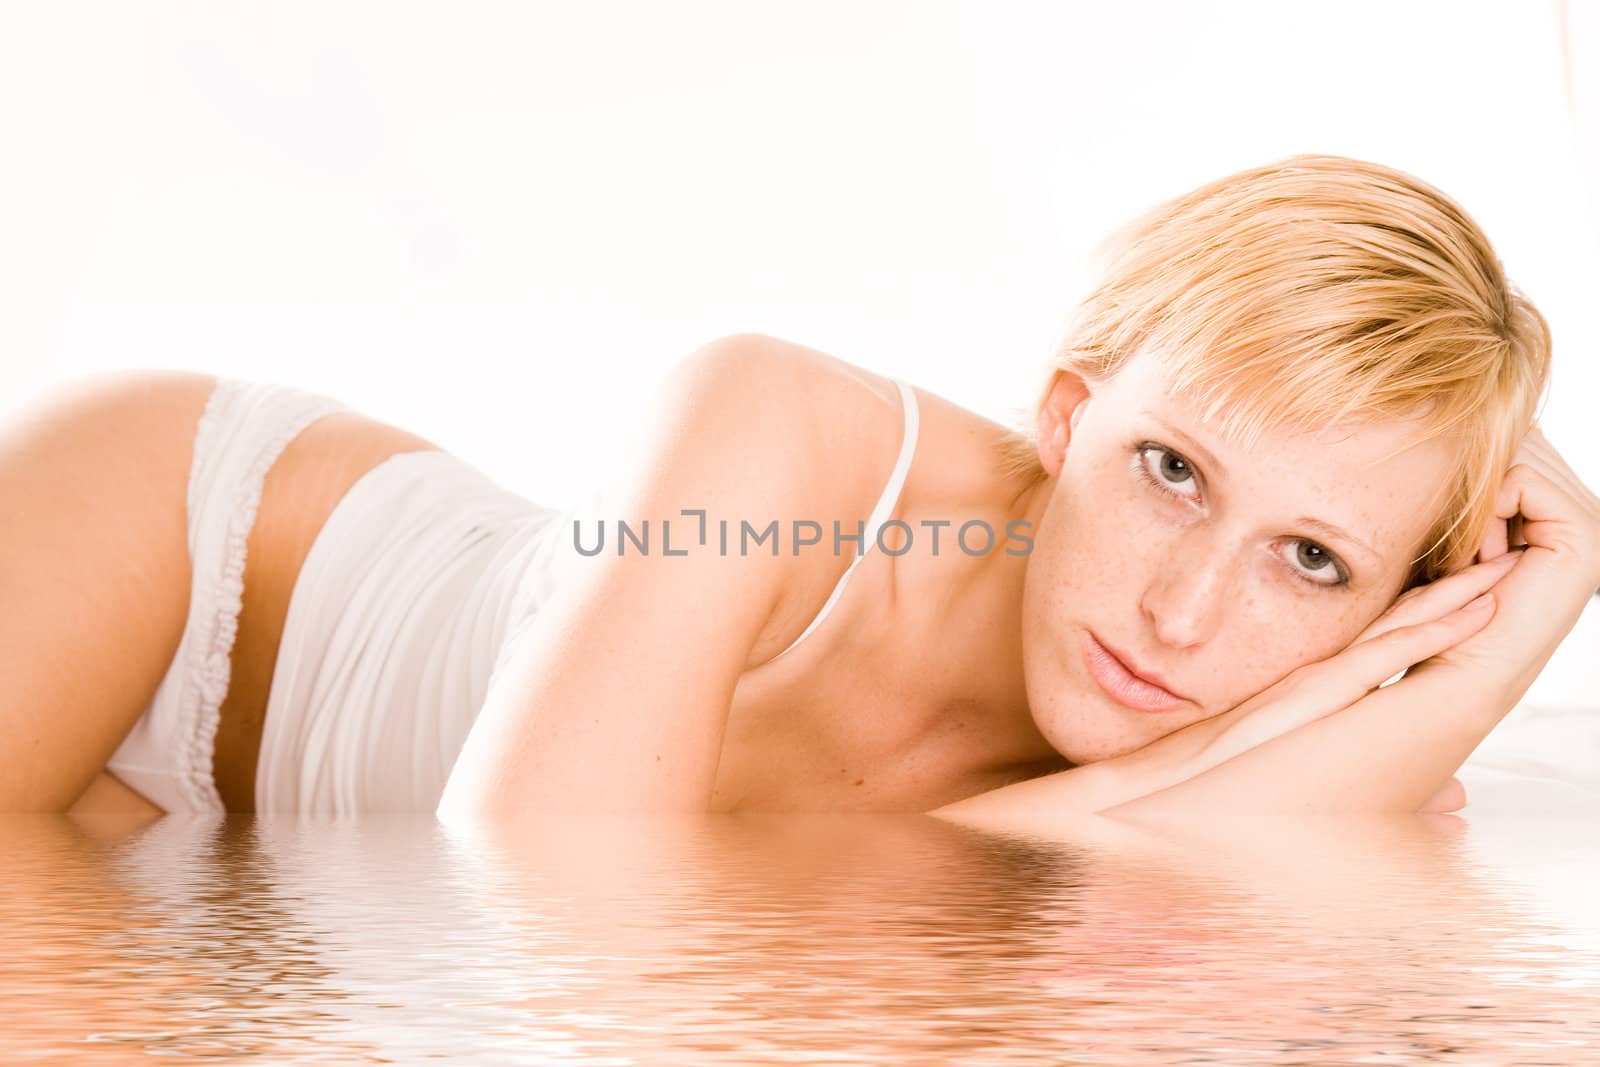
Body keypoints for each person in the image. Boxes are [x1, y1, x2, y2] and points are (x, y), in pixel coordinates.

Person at [7, 154, 1596, 823]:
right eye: (1173, 471)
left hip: (227, 865)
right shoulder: (775, 435)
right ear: (1070, 411)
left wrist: (1536, 625)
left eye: (1312, 561)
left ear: (1408, 606)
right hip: (189, 562)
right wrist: (1097, 820)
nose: (1184, 612)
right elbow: (511, 933)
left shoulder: (1335, 771)